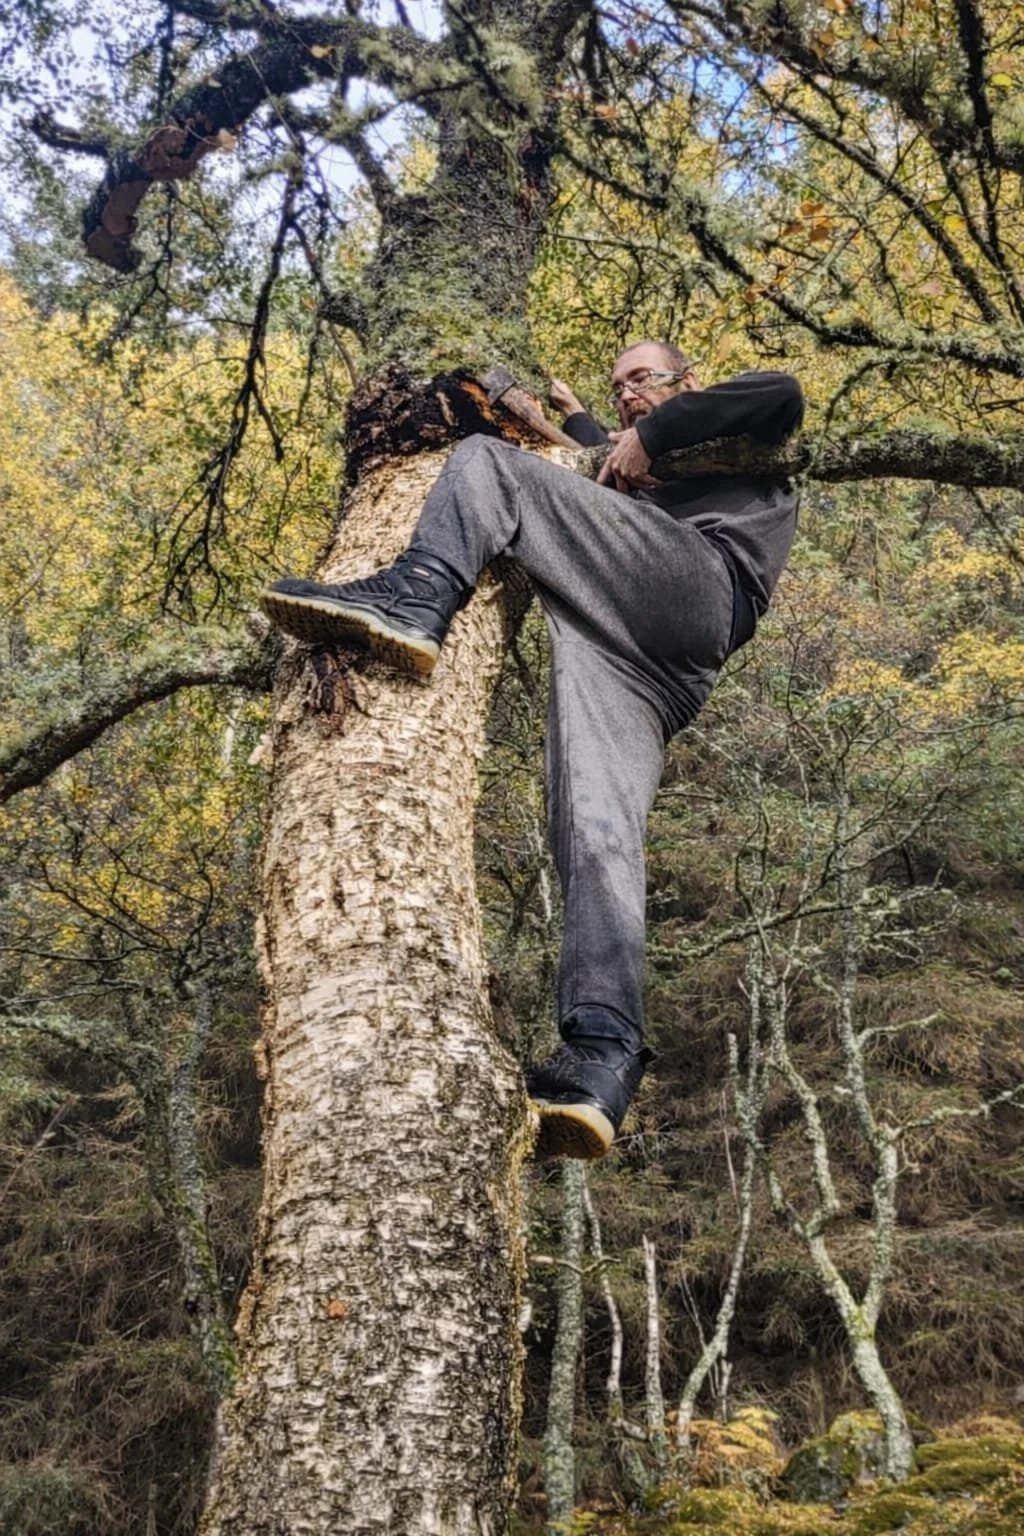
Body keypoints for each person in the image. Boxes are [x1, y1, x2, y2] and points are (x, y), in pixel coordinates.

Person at [259, 341, 804, 1160]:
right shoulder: (619, 445)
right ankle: (602, 1059)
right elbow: (591, 461)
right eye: (617, 389)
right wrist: (573, 418)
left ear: (687, 382)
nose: (628, 397)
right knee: (594, 832)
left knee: (491, 467)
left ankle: (419, 595)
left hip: (695, 586)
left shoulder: (733, 424)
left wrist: (650, 435)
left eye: (643, 380)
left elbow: (781, 392)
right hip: (621, 648)